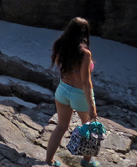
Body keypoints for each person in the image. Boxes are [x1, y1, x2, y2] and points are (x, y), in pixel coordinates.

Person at [45, 17, 98, 167]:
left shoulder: (60, 45)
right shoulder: (84, 53)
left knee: (61, 126)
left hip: (62, 90)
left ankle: (49, 161)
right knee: (88, 126)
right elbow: (86, 82)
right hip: (79, 94)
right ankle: (87, 162)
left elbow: (59, 64)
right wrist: (92, 105)